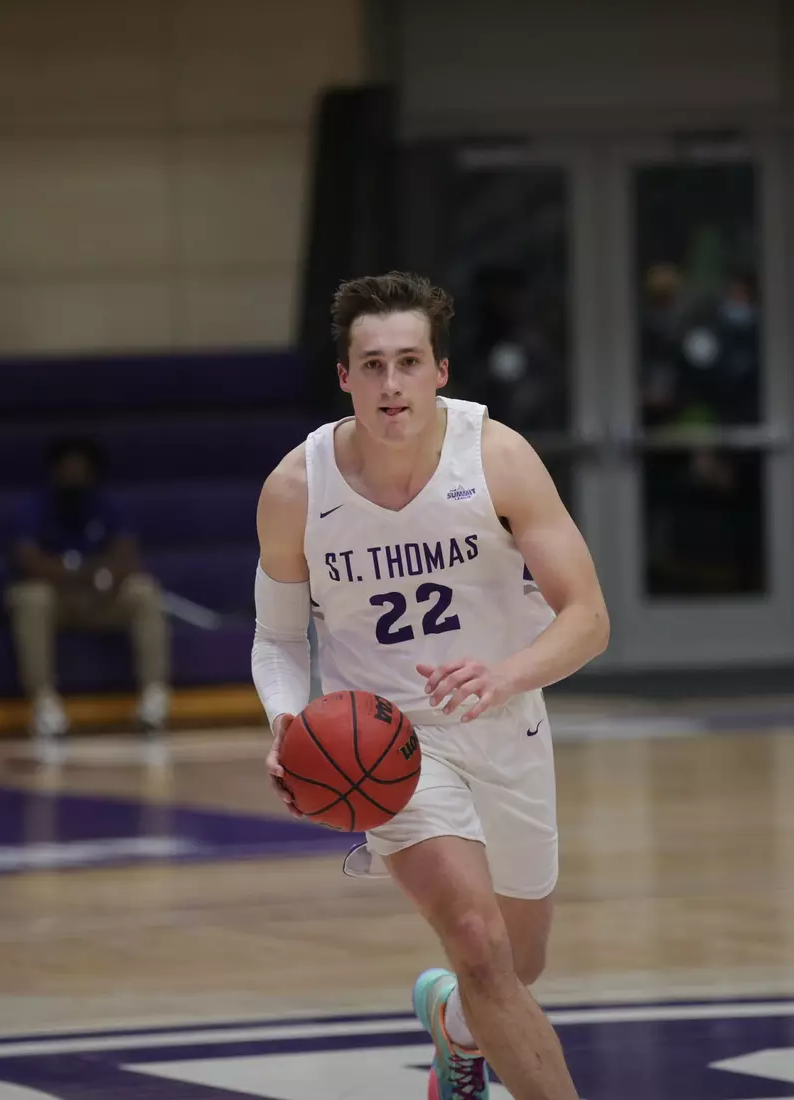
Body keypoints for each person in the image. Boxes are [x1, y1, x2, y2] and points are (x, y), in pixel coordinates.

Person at [250, 272, 610, 1100]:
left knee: (517, 966)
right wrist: (286, 723)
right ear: (343, 377)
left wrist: (504, 674)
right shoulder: (296, 489)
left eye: (408, 362)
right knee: (480, 943)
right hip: (388, 748)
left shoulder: (498, 458)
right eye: (371, 365)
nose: (390, 385)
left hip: (504, 716)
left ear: (441, 370)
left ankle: (452, 1025)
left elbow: (587, 618)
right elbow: (275, 638)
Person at [5, 437, 171, 751]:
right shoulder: (33, 507)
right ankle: (44, 704)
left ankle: (154, 699)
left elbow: (127, 554)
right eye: (67, 468)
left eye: (80, 468)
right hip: (57, 599)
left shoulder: (106, 506)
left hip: (98, 599)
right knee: (31, 598)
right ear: (54, 472)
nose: (74, 474)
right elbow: (26, 558)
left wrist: (107, 575)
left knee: (144, 593)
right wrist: (77, 575)